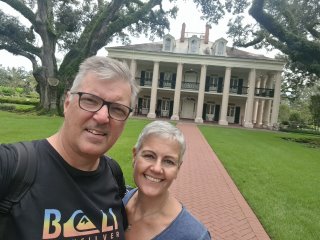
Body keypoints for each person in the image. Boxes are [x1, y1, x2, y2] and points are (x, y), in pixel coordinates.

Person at [0, 56, 139, 239]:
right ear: (67, 103)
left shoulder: (113, 175)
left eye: (117, 109)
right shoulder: (12, 166)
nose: (102, 117)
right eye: (90, 100)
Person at [123, 121, 211, 240]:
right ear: (135, 156)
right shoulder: (116, 202)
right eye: (149, 156)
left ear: (178, 169)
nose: (157, 169)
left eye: (168, 161)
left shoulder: (195, 236)